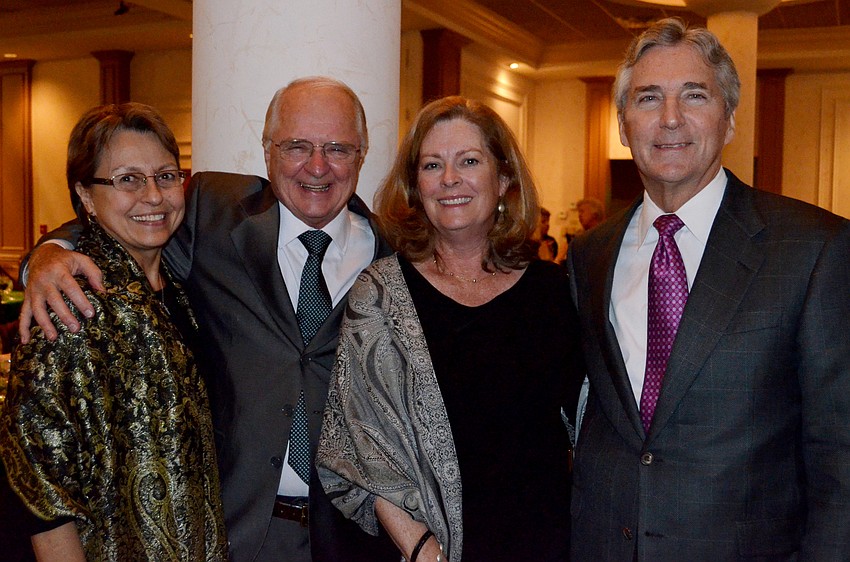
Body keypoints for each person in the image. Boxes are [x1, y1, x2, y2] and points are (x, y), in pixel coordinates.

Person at [18, 78, 397, 562]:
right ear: (267, 150)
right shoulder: (210, 210)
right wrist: (50, 253)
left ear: (362, 153)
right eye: (297, 146)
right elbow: (122, 213)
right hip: (224, 533)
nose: (317, 166)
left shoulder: (394, 257)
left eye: (338, 148)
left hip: (347, 539)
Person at [567, 17, 850, 560]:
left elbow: (839, 452)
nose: (670, 119)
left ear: (730, 119)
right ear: (624, 125)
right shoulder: (590, 256)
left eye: (694, 96)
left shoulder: (814, 250)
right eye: (648, 99)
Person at [317, 96, 585, 561]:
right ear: (415, 187)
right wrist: (424, 550)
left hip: (545, 543)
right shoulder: (379, 295)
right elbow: (358, 451)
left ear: (503, 179)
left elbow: (588, 428)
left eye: (469, 161)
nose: (449, 180)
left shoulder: (552, 290)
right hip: (428, 553)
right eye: (432, 165)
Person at [0, 103, 227, 560]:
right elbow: (40, 484)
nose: (154, 196)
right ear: (85, 195)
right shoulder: (69, 304)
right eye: (127, 179)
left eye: (166, 175)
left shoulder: (180, 291)